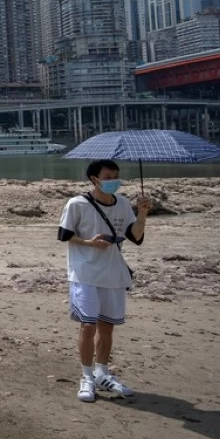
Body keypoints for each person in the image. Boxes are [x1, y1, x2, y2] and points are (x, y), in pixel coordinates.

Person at [57, 159, 151, 403]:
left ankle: (102, 373)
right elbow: (64, 234)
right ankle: (86, 377)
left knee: (107, 326)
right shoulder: (77, 204)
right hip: (84, 272)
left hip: (113, 273)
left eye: (116, 176)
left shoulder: (122, 204)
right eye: (108, 176)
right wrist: (90, 242)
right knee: (88, 325)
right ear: (94, 179)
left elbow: (135, 237)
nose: (113, 180)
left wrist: (142, 214)